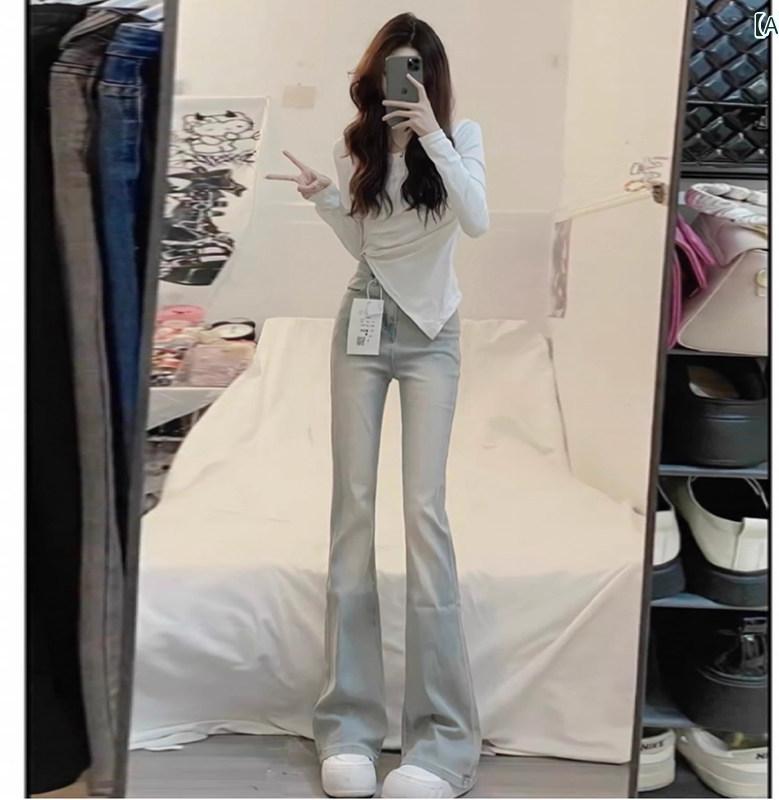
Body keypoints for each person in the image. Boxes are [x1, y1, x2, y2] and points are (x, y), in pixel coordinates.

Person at [266, 12, 488, 798]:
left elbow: (478, 220)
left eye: (415, 70)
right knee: (353, 510)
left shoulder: (461, 138)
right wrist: (328, 199)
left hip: (433, 335)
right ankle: (349, 726)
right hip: (362, 320)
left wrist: (432, 134)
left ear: (431, 77)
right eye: (392, 69)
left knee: (424, 513)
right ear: (373, 74)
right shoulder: (353, 146)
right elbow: (369, 249)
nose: (402, 83)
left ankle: (443, 742)